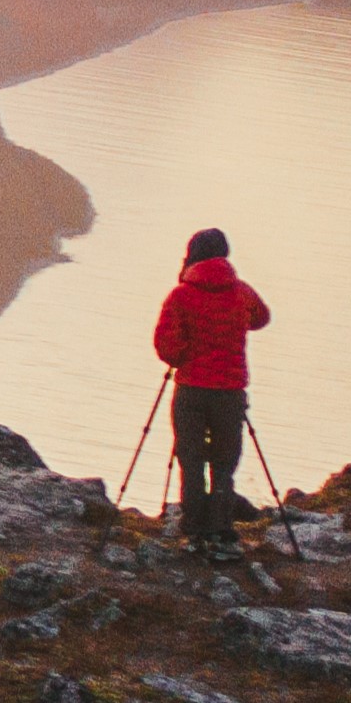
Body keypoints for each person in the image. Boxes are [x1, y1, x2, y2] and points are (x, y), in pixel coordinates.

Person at [153, 228, 273, 557]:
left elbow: (166, 347)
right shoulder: (241, 293)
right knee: (223, 464)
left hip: (191, 390)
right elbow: (262, 318)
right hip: (229, 393)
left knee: (190, 461)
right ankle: (221, 532)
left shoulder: (180, 295)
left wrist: (185, 354)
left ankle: (192, 531)